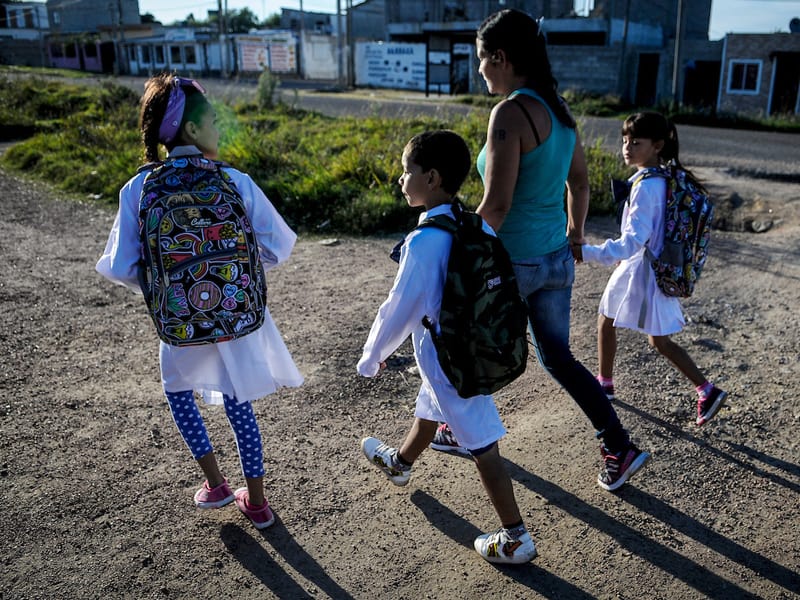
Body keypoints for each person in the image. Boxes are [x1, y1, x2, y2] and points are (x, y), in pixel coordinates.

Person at [431, 9, 649, 492]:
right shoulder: (559, 111)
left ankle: (456, 428)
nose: (480, 70)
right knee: (558, 359)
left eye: (482, 60)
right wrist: (573, 235)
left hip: (515, 262)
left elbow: (498, 205)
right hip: (554, 259)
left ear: (501, 57)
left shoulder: (509, 113)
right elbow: (581, 183)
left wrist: (451, 241)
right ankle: (618, 445)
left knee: (464, 342)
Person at [96, 73, 303, 529]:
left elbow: (119, 266)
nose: (218, 127)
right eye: (212, 120)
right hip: (235, 311)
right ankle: (259, 501)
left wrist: (167, 286)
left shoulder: (139, 190)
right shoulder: (234, 180)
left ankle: (215, 484)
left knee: (178, 392)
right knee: (237, 400)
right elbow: (280, 245)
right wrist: (238, 269)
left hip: (179, 323)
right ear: (191, 130)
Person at [357, 130, 537, 565]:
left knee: (482, 442)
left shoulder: (424, 241)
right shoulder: (470, 223)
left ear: (432, 178)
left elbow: (397, 308)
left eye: (407, 172)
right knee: (430, 405)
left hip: (450, 359)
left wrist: (373, 355)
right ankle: (400, 463)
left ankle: (516, 538)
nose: (402, 180)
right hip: (465, 347)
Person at [575, 111, 728, 426]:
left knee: (653, 338)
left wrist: (587, 252)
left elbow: (632, 241)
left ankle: (706, 389)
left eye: (636, 142)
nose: (627, 147)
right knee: (611, 320)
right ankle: (605, 382)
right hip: (647, 268)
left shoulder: (647, 186)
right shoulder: (661, 179)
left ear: (658, 145)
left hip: (645, 271)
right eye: (625, 140)